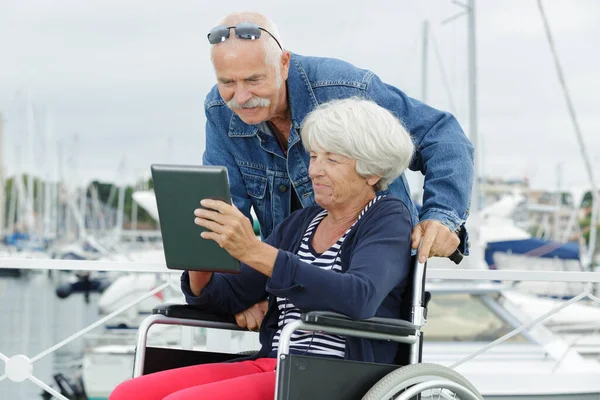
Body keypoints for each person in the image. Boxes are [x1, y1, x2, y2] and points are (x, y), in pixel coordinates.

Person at [110, 97, 415, 400]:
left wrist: (254, 250)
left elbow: (358, 298)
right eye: (313, 156)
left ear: (372, 172)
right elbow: (232, 295)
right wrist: (200, 261)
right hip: (275, 364)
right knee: (129, 393)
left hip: (337, 375)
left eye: (332, 160)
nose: (314, 171)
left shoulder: (387, 218)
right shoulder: (302, 223)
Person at [203, 11, 474, 331]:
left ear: (284, 63)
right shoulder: (221, 110)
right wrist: (241, 292)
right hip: (289, 295)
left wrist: (442, 216)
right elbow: (224, 212)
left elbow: (441, 135)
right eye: (227, 83)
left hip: (371, 296)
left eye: (254, 80)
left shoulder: (346, 87)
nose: (242, 97)